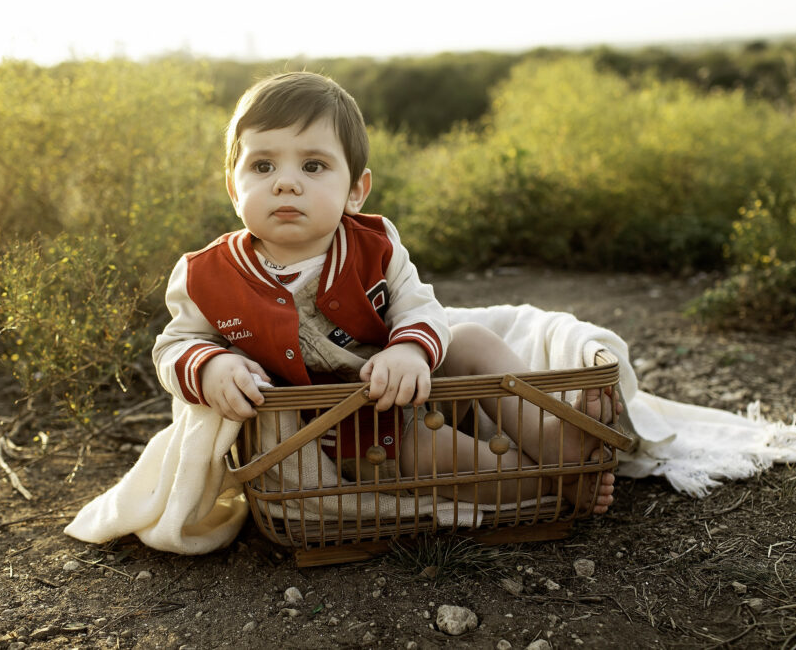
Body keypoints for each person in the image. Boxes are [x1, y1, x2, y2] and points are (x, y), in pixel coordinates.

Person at [152, 71, 615, 513]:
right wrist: (212, 364)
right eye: (262, 165)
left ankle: (551, 436)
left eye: (313, 165)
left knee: (470, 337)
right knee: (444, 455)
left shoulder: (375, 245)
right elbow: (174, 346)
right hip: (348, 433)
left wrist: (410, 349)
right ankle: (550, 481)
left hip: (409, 388)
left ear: (356, 191)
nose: (286, 181)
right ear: (235, 189)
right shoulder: (204, 275)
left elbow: (422, 308)